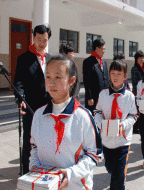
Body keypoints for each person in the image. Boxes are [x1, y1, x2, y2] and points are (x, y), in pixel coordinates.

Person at [29, 55, 102, 190]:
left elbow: (94, 153)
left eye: (58, 77)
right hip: (44, 185)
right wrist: (33, 166)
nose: (51, 83)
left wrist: (71, 174)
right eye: (48, 76)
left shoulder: (82, 116)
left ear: (71, 81)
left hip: (75, 186)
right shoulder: (39, 115)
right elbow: (34, 147)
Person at [14, 24, 52, 174]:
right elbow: (18, 82)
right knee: (29, 141)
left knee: (47, 139)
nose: (42, 43)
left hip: (48, 107)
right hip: (31, 107)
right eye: (39, 39)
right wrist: (20, 98)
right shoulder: (23, 58)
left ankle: (44, 167)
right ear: (33, 38)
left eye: (45, 40)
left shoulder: (50, 58)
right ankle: (26, 172)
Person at [95, 60, 138, 190]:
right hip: (107, 140)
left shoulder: (129, 96)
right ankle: (117, 176)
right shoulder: (103, 94)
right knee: (109, 167)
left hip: (123, 140)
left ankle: (119, 183)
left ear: (125, 76)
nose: (115, 76)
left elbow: (134, 115)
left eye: (119, 73)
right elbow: (97, 112)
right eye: (112, 73)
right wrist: (101, 124)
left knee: (118, 175)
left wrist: (123, 125)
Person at [83, 39, 109, 115]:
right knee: (93, 117)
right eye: (103, 49)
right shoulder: (88, 62)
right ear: (97, 49)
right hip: (93, 98)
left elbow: (106, 79)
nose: (104, 51)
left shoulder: (104, 62)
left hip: (103, 97)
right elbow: (86, 81)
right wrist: (89, 97)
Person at [131, 50, 144, 133]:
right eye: (140, 58)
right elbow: (134, 82)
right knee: (136, 110)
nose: (142, 60)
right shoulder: (135, 69)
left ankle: (139, 126)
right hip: (137, 92)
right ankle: (135, 127)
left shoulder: (143, 67)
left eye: (143, 58)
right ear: (136, 59)